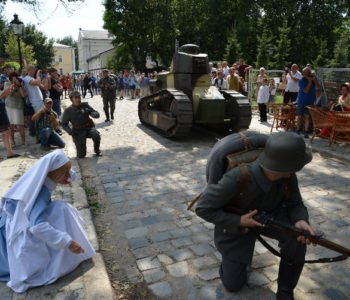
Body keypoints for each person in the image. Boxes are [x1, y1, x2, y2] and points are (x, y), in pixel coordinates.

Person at [195, 132, 314, 300]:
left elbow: (295, 203)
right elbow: (203, 208)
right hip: (239, 225)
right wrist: (238, 221)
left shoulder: (287, 176)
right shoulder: (237, 177)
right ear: (284, 166)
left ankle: (285, 291)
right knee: (233, 285)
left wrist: (300, 219)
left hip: (272, 216)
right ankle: (233, 262)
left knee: (297, 239)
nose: (296, 170)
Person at [0, 150, 95, 292]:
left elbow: (66, 171)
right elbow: (37, 226)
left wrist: (68, 174)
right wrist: (67, 242)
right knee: (62, 209)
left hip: (11, 220)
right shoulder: (41, 191)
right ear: (56, 174)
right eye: (66, 174)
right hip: (15, 230)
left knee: (60, 207)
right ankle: (57, 258)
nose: (69, 177)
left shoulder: (38, 177)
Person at [61, 91, 101, 158]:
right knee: (81, 155)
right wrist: (70, 131)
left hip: (88, 128)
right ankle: (81, 150)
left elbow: (96, 114)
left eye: (79, 97)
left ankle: (97, 150)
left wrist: (92, 113)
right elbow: (64, 124)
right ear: (72, 100)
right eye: (75, 98)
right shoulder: (68, 111)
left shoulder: (85, 105)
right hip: (77, 131)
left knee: (96, 135)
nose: (78, 99)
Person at [2, 72, 26, 146]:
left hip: (19, 106)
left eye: (16, 76)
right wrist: (13, 85)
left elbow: (23, 95)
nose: (15, 78)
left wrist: (19, 86)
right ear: (11, 77)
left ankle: (23, 141)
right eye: (14, 76)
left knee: (21, 124)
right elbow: (9, 94)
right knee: (11, 125)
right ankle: (13, 141)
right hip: (10, 106)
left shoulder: (20, 84)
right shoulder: (7, 83)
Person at [297, 67, 320, 138]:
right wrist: (310, 81)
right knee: (300, 116)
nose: (305, 74)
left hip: (310, 102)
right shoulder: (301, 81)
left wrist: (315, 80)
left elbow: (318, 87)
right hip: (302, 101)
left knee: (307, 117)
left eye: (307, 73)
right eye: (304, 73)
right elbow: (306, 91)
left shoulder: (313, 80)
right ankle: (298, 130)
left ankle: (306, 132)